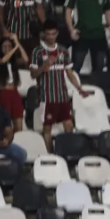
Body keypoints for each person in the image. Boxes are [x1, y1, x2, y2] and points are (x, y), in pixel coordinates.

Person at [30, 20, 89, 152]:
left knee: (69, 126)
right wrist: (44, 66)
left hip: (62, 96)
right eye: (48, 34)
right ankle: (50, 155)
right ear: (44, 34)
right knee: (47, 128)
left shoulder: (63, 51)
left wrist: (79, 88)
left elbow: (69, 73)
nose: (51, 37)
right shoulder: (37, 52)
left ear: (57, 34)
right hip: (47, 96)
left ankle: (69, 153)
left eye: (53, 34)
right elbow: (33, 74)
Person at [64, 0, 110, 74]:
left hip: (99, 35)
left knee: (99, 68)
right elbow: (68, 11)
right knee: (76, 67)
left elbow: (108, 12)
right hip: (81, 34)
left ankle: (96, 84)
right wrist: (71, 30)